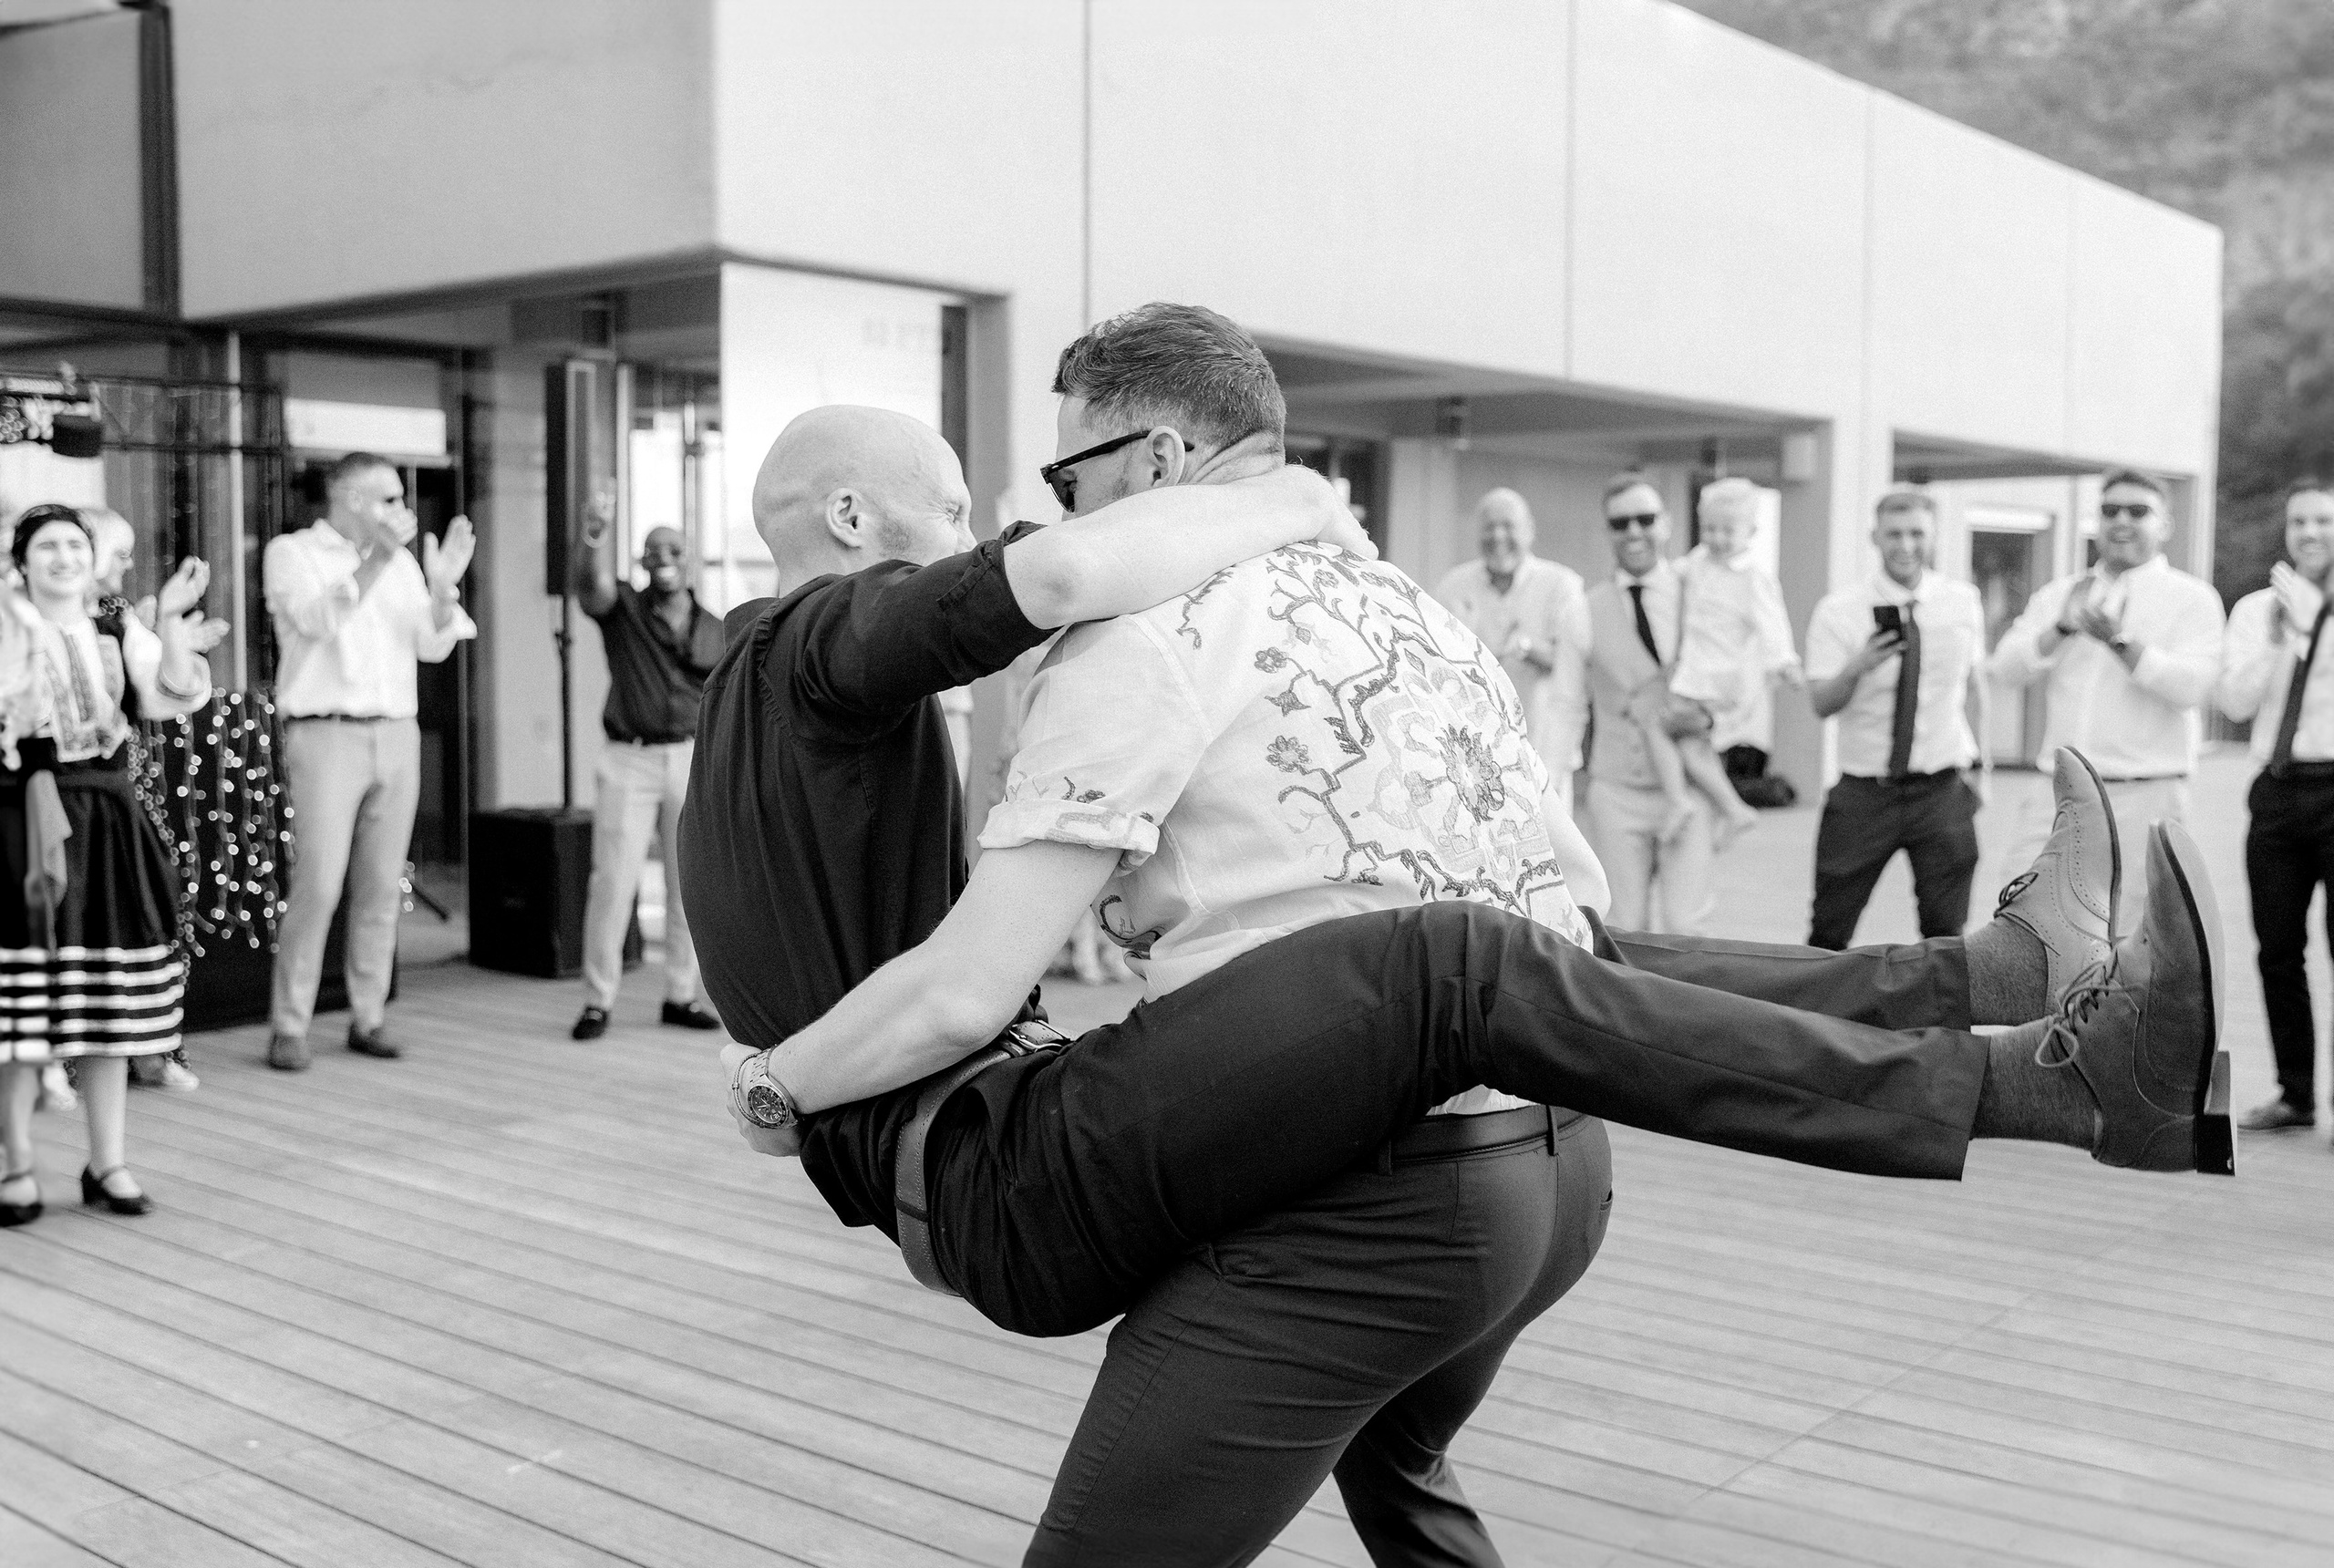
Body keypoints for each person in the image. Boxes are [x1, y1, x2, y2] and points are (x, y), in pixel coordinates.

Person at [688, 331, 2224, 1561]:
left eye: (1052, 474)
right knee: (1493, 967)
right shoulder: (1394, 609)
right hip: (1398, 1178)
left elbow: (1017, 834)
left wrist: (793, 1078)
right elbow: (1551, 902)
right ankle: (2010, 1026)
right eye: (964, 507)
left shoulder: (1058, 647)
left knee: (1481, 982)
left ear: (1154, 461)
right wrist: (782, 1085)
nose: (1017, 522)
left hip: (1175, 1156)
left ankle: (2016, 1026)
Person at [0, 504, 214, 1226]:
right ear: (21, 560)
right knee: (21, 1007)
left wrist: (177, 633)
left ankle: (108, 1162)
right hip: (20, 820)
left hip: (106, 820)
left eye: (73, 545)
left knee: (108, 1006)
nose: (62, 558)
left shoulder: (118, 629)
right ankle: (18, 1166)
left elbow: (171, 697)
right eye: (46, 546)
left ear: (90, 560)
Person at [262, 453, 475, 1070]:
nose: (400, 510)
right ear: (350, 498)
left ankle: (368, 1015)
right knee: (320, 885)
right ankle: (290, 1023)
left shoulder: (404, 562)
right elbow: (316, 620)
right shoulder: (293, 552)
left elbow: (433, 644)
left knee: (382, 887)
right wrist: (378, 559)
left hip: (396, 732)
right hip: (326, 734)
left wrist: (441, 589)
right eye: (387, 498)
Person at [1990, 469, 2226, 896]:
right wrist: (2060, 629)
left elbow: (2191, 689)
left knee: (2128, 937)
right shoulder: (2061, 593)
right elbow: (2007, 670)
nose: (2121, 521)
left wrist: (2120, 642)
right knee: (2019, 912)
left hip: (2144, 795)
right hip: (2058, 794)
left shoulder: (2193, 599)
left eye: (2138, 511)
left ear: (2165, 525)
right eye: (2109, 510)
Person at [1802, 490, 1992, 949]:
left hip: (1942, 790)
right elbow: (1821, 703)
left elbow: (1973, 690)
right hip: (1865, 793)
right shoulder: (1838, 610)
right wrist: (1858, 666)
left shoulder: (1962, 601)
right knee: (1829, 930)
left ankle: (1942, 1023)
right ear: (1875, 537)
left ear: (1932, 538)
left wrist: (1981, 777)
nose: (1905, 545)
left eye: (1916, 534)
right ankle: (1810, 1020)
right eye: (1894, 534)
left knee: (1946, 935)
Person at [83, 504, 229, 1092]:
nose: (127, 565)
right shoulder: (25, 617)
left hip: (122, 793)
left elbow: (173, 691)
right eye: (117, 552)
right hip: (54, 793)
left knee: (149, 911)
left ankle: (150, 1043)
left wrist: (168, 624)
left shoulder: (119, 620)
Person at [570, 499, 725, 1041]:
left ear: (689, 560)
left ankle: (680, 994)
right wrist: (594, 537)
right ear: (639, 561)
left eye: (674, 549)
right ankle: (598, 1000)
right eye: (653, 550)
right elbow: (590, 586)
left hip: (688, 758)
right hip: (628, 758)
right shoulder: (624, 610)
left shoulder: (714, 626)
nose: (664, 557)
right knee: (613, 879)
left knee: (690, 883)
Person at [2216, 477, 2334, 1135]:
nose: (2310, 534)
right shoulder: (2257, 609)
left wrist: (2318, 617)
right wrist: (2282, 635)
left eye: (2323, 521)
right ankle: (2296, 1094)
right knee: (2277, 948)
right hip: (2278, 791)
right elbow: (2233, 704)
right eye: (2299, 524)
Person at [1575, 472, 1714, 932]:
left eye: (1645, 519)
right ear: (1608, 532)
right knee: (1622, 927)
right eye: (1620, 523)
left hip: (1688, 785)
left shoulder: (1701, 596)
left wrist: (1713, 717)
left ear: (1667, 524)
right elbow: (1569, 698)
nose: (1633, 531)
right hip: (1615, 788)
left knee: (1683, 927)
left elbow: (1740, 678)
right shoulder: (1585, 605)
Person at [1651, 477, 1801, 845]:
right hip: (1692, 671)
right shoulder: (1699, 562)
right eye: (1709, 529)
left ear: (1751, 531)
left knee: (1659, 727)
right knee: (1693, 746)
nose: (1717, 538)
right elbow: (1670, 574)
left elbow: (1773, 623)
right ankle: (1729, 811)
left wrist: (1784, 662)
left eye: (1728, 531)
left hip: (1718, 679)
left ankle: (1682, 801)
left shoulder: (1753, 578)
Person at [1430, 487, 1589, 814]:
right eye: (1489, 527)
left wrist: (1529, 650)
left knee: (1552, 854)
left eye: (1508, 526)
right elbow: (1431, 664)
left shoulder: (1561, 584)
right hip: (1473, 756)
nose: (1498, 536)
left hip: (1545, 748)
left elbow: (1577, 666)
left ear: (1530, 530)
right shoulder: (1453, 586)